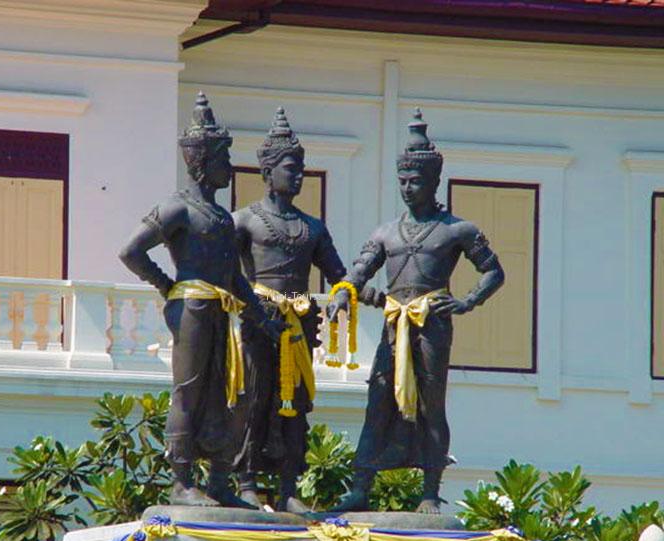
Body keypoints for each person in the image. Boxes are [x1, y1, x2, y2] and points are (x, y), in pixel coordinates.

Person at [327, 109, 505, 514]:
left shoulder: (456, 230)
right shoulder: (385, 232)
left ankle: (430, 489)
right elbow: (357, 274)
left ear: (433, 181)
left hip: (431, 325)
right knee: (378, 401)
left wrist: (466, 301)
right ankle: (361, 485)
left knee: (430, 404)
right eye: (403, 181)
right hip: (394, 326)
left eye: (416, 181)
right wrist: (345, 294)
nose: (408, 188)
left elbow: (494, 271)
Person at [119, 92, 286, 508]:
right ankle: (181, 480)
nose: (228, 168)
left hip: (221, 310)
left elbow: (234, 278)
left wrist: (263, 319)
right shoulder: (177, 208)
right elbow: (131, 251)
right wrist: (167, 285)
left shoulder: (223, 218)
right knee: (190, 389)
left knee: (231, 393)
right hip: (192, 306)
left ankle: (220, 480)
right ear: (201, 161)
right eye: (222, 159)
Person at [232, 108, 347, 512]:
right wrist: (251, 306)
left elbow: (339, 275)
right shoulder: (245, 220)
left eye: (300, 168)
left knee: (295, 404)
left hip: (298, 323)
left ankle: (289, 487)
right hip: (259, 318)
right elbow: (226, 271)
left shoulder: (312, 228)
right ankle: (246, 480)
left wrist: (342, 295)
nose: (297, 175)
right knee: (256, 397)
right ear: (267, 171)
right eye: (289, 168)